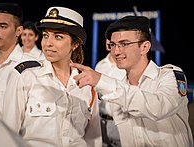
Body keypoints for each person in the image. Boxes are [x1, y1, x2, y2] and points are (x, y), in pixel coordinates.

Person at [70, 15, 193, 147]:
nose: (116, 51)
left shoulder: (169, 76)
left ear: (144, 47)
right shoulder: (117, 91)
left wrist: (101, 80)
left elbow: (158, 107)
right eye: (113, 45)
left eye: (124, 44)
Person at [2, 6, 102, 147]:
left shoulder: (87, 84)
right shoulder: (26, 76)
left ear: (75, 44)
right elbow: (8, 134)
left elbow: (93, 139)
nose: (48, 43)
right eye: (45, 35)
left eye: (58, 37)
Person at [95, 39, 125, 147]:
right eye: (107, 38)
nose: (108, 42)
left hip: (121, 123)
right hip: (102, 122)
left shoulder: (126, 66)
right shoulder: (100, 65)